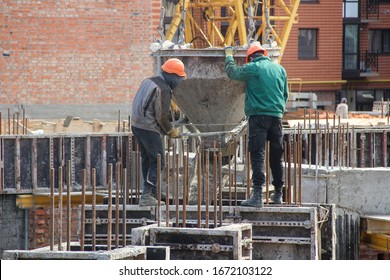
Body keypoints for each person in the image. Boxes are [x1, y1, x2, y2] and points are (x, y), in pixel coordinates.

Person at [224, 44, 289, 207]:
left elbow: (233, 73)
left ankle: (257, 195)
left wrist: (229, 56)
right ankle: (278, 194)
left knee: (257, 154)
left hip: (258, 117)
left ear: (251, 57)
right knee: (276, 156)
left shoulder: (254, 67)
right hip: (277, 118)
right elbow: (285, 94)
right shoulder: (280, 69)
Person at [131, 58, 187, 206]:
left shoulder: (149, 81)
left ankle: (152, 192)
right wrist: (171, 131)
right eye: (179, 78)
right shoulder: (164, 89)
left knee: (148, 159)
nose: (180, 82)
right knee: (158, 160)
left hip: (137, 125)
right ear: (173, 76)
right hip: (148, 127)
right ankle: (147, 196)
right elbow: (161, 117)